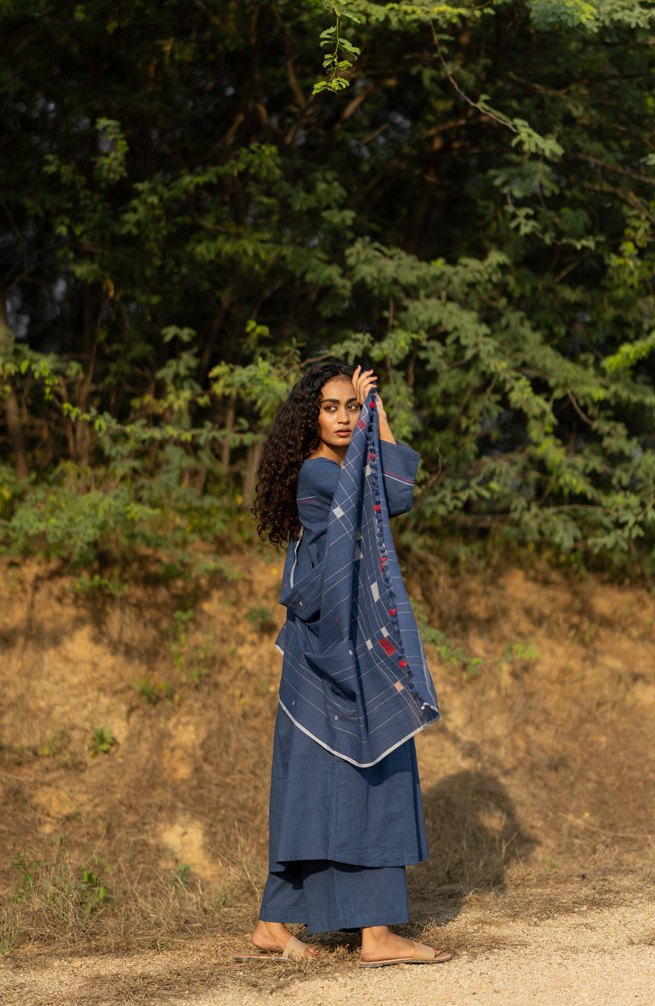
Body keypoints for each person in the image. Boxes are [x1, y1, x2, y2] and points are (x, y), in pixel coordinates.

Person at [237, 361, 450, 967]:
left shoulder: (345, 463)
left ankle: (274, 923)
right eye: (331, 407)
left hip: (342, 647)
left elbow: (398, 494)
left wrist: (377, 411)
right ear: (311, 417)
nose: (343, 418)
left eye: (350, 408)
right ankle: (376, 937)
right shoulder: (318, 474)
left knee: (320, 783)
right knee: (369, 772)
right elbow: (382, 491)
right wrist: (370, 427)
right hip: (331, 654)